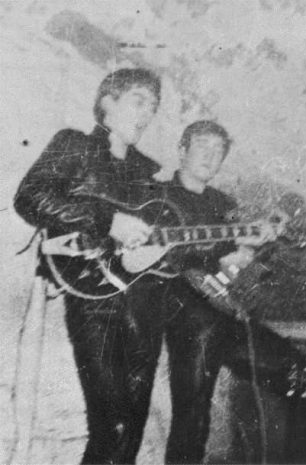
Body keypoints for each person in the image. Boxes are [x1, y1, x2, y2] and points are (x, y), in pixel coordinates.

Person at [14, 67, 168, 464]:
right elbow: (30, 197)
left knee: (129, 431)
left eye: (153, 105)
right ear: (108, 102)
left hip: (142, 302)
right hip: (93, 296)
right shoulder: (75, 144)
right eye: (139, 100)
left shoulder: (148, 172)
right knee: (111, 423)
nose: (148, 112)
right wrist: (106, 220)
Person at [158, 120, 306, 464]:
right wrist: (221, 253)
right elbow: (168, 257)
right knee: (193, 416)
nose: (211, 156)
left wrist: (252, 250)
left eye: (219, 151)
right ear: (181, 150)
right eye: (203, 146)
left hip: (223, 315)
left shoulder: (225, 204)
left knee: (305, 376)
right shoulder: (160, 197)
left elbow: (233, 265)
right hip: (186, 316)